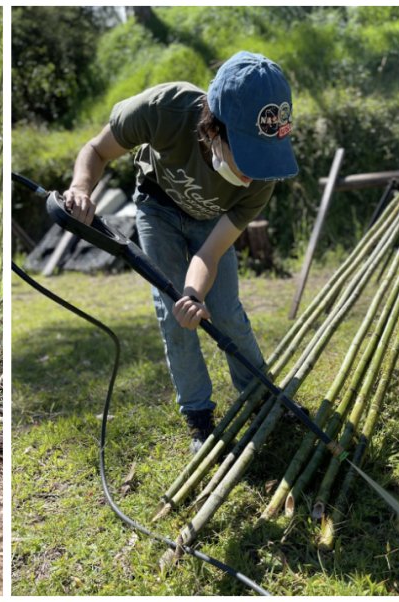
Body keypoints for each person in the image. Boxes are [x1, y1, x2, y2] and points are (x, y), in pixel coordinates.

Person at [62, 51, 299, 454]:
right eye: (246, 153)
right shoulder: (163, 109)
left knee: (225, 313)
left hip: (213, 221)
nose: (251, 171)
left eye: (262, 157)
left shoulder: (262, 178)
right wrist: (82, 188)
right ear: (214, 127)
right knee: (174, 317)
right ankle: (199, 419)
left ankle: (259, 398)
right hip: (158, 207)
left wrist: (193, 293)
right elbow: (96, 150)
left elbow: (210, 253)